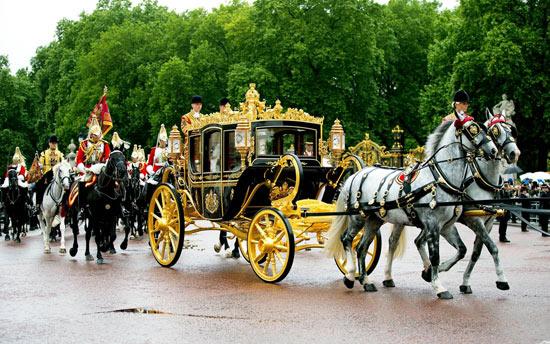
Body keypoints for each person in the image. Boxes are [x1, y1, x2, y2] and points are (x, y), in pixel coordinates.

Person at [35, 135, 64, 207]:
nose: (54, 144)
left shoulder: (60, 154)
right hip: (47, 174)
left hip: (57, 174)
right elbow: (40, 164)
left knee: (67, 184)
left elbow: (63, 163)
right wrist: (40, 165)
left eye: (55, 143)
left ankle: (65, 205)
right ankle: (38, 204)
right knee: (39, 184)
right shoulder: (44, 153)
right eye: (53, 143)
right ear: (49, 143)